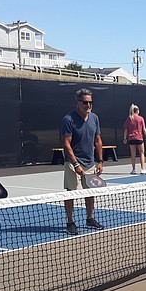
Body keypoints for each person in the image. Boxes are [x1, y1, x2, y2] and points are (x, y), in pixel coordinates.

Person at [61, 88, 105, 235]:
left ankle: (90, 218)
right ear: (78, 103)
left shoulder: (94, 118)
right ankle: (70, 221)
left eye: (90, 103)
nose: (88, 105)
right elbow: (66, 144)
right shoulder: (68, 120)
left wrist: (100, 161)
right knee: (70, 193)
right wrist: (76, 164)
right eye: (85, 102)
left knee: (90, 192)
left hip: (90, 163)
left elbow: (98, 140)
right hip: (73, 163)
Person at [123, 104, 146, 175]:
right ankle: (142, 169)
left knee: (133, 154)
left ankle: (133, 169)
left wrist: (125, 138)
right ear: (137, 110)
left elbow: (126, 129)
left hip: (131, 139)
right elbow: (144, 129)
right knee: (142, 153)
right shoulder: (141, 118)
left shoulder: (129, 119)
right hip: (139, 138)